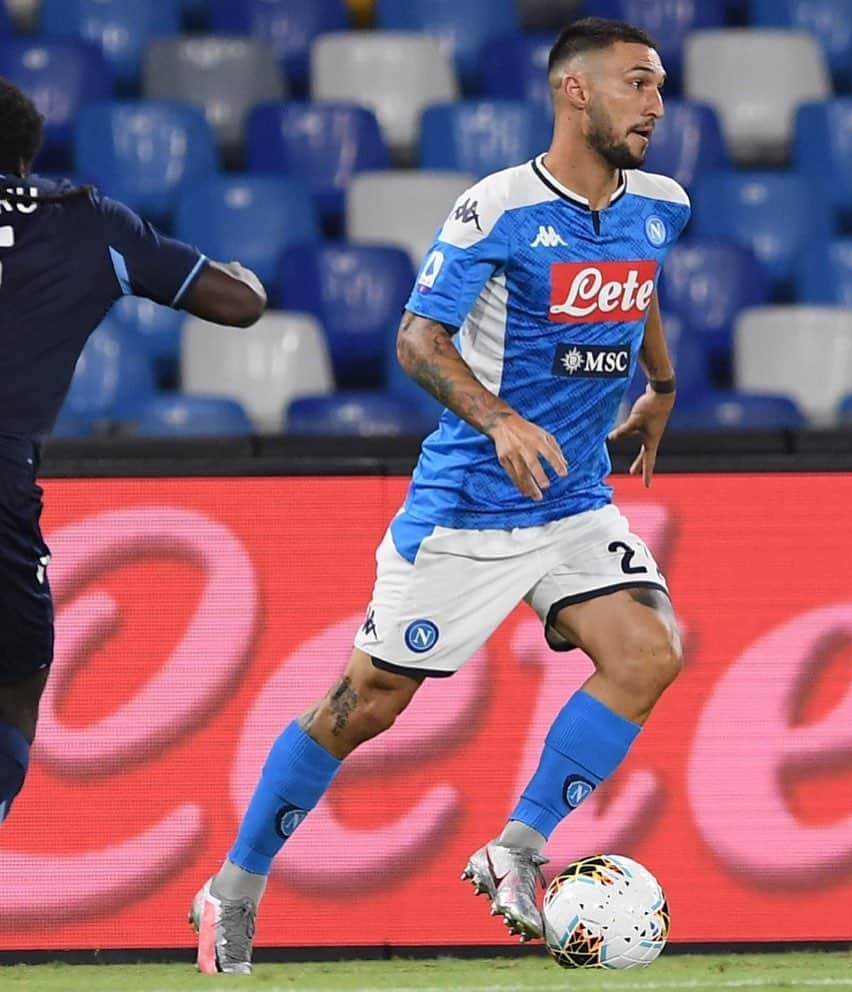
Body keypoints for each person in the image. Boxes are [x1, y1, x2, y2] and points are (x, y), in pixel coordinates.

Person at [192, 16, 689, 974]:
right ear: (574, 91)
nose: (657, 105)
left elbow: (643, 280)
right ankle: (233, 890)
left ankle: (517, 847)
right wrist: (499, 419)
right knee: (365, 705)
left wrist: (660, 389)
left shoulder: (660, 202)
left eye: (661, 86)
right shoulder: (495, 208)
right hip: (470, 505)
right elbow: (418, 340)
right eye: (639, 83)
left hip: (575, 499)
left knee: (650, 651)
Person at [0, 78, 267, 827]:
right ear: (25, 159)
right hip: (3, 478)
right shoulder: (87, 223)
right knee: (18, 675)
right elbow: (237, 304)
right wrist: (245, 274)